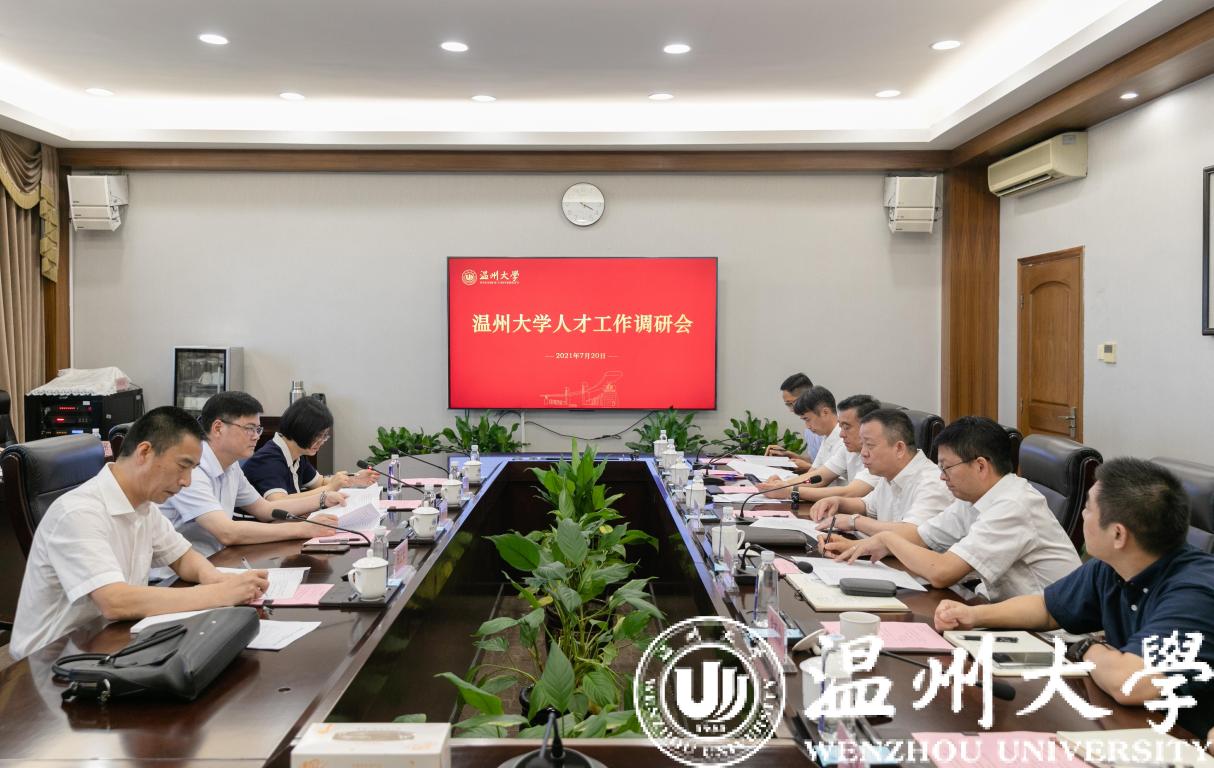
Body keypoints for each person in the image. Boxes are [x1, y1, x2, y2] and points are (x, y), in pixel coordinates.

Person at [935, 458, 1214, 738]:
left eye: (1088, 508)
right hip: (1137, 723)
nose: (1082, 514)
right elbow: (1047, 608)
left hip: (1186, 738)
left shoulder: (1195, 592)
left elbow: (1130, 682)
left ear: (1118, 534)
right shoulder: (1113, 566)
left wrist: (1086, 648)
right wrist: (973, 615)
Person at [8, 407, 270, 660]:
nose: (187, 481)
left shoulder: (144, 505)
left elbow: (183, 557)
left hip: (110, 640)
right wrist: (219, 595)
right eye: (183, 466)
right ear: (145, 452)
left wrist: (216, 579)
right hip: (49, 661)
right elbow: (115, 601)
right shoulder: (78, 512)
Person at [821, 416, 1080, 600]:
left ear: (980, 466)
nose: (942, 477)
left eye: (947, 467)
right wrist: (858, 546)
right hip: (1002, 613)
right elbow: (920, 536)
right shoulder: (973, 498)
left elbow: (942, 572)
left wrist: (886, 538)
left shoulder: (1013, 505)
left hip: (1053, 638)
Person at [159, 391, 340, 558]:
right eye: (249, 428)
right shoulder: (192, 469)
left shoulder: (231, 466)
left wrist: (323, 499)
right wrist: (302, 529)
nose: (256, 436)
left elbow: (265, 509)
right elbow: (227, 532)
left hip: (215, 560)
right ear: (218, 428)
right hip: (174, 575)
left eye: (258, 429)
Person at [810, 408, 953, 535]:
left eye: (869, 445)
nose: (863, 453)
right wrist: (838, 502)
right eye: (862, 444)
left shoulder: (932, 482)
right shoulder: (889, 474)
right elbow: (867, 506)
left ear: (899, 449)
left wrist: (854, 522)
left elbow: (912, 532)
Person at [242, 395, 375, 502]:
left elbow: (320, 483)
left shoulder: (297, 455)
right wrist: (330, 488)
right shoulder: (268, 459)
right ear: (301, 429)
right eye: (318, 435)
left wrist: (353, 479)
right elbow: (278, 502)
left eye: (324, 436)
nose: (321, 442)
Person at [757, 394, 880, 504]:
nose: (841, 434)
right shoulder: (849, 447)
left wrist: (790, 491)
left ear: (867, 427)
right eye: (841, 426)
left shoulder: (879, 456)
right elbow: (821, 475)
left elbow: (849, 493)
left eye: (847, 427)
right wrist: (783, 485)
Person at [764, 372, 820, 470]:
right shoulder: (809, 429)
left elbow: (835, 472)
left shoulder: (833, 429)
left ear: (806, 397)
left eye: (791, 403)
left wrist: (808, 468)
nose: (791, 409)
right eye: (787, 404)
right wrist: (789, 455)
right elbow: (816, 462)